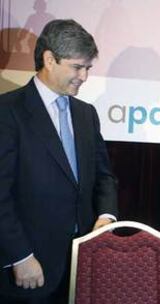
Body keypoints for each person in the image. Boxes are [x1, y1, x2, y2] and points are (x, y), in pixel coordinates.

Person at [0, 19, 118, 304]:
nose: (84, 77)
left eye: (88, 68)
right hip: (28, 268)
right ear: (49, 59)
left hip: (82, 266)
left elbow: (104, 176)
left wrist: (106, 215)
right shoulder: (7, 111)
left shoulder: (86, 114)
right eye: (78, 67)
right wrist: (20, 256)